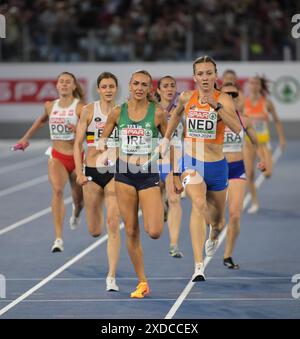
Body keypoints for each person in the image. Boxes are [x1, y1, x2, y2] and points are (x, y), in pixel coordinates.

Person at [161, 56, 241, 281]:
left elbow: (236, 128)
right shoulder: (187, 97)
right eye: (200, 73)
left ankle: (214, 234)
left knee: (218, 221)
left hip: (217, 165)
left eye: (209, 73)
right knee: (197, 204)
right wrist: (166, 138)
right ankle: (198, 266)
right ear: (194, 76)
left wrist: (215, 106)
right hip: (192, 162)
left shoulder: (224, 99)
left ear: (215, 75)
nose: (205, 77)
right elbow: (175, 116)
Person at [98, 70, 167, 298]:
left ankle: (159, 205)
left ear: (149, 88)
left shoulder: (157, 113)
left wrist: (174, 173)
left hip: (147, 173)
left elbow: (171, 141)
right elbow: (103, 136)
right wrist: (103, 147)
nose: (139, 87)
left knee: (155, 231)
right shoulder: (119, 112)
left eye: (144, 84)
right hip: (124, 174)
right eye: (135, 83)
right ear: (129, 85)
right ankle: (142, 282)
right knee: (130, 230)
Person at [16, 72, 85, 252]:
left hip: (77, 157)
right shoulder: (49, 106)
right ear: (56, 85)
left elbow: (91, 133)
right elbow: (41, 120)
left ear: (74, 86)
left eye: (67, 82)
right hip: (57, 157)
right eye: (61, 82)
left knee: (78, 200)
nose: (63, 84)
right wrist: (25, 138)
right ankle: (58, 238)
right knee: (58, 190)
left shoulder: (80, 108)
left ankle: (77, 211)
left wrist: (78, 129)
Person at [74, 72, 121, 292]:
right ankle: (84, 208)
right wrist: (79, 172)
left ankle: (111, 276)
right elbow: (78, 144)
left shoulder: (124, 111)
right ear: (99, 89)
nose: (108, 90)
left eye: (112, 86)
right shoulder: (89, 111)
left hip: (115, 172)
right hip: (91, 172)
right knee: (94, 230)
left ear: (116, 89)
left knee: (113, 223)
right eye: (104, 86)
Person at [221, 81, 265, 269]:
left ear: (240, 98)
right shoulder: (213, 119)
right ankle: (214, 232)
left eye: (234, 95)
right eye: (227, 95)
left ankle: (227, 255)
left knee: (235, 214)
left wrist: (261, 159)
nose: (231, 98)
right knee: (214, 220)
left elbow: (257, 142)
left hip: (236, 169)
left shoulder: (244, 120)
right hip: (216, 168)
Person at [243, 76, 286, 214]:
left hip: (263, 143)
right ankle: (254, 203)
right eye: (251, 82)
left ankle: (264, 166)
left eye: (256, 83)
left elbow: (277, 121)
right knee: (249, 174)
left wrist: (282, 139)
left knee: (267, 173)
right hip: (249, 143)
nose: (253, 85)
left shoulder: (267, 103)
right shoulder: (243, 102)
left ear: (260, 86)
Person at [155, 76, 184, 258]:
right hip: (154, 159)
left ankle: (174, 243)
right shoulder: (152, 109)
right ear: (158, 91)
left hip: (175, 158)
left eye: (172, 85)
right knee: (157, 198)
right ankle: (162, 208)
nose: (169, 89)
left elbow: (188, 134)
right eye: (165, 86)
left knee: (174, 199)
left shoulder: (182, 108)